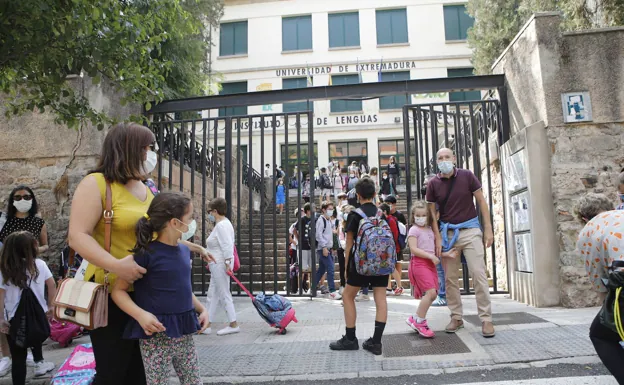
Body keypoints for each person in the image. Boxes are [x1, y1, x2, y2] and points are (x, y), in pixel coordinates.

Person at [69, 122, 157, 385]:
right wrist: (117, 265)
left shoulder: (147, 188)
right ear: (128, 149)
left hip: (144, 293)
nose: (150, 153)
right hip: (109, 295)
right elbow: (77, 236)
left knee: (139, 375)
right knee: (113, 373)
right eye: (146, 148)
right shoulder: (96, 183)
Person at [111, 192, 209, 385]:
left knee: (194, 382)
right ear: (174, 222)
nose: (192, 222)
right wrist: (140, 315)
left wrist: (202, 309)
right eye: (190, 217)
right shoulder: (145, 254)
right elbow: (118, 291)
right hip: (155, 336)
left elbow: (181, 288)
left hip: (184, 332)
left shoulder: (182, 250)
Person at [426, 148, 495, 338]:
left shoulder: (467, 176)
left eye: (447, 157)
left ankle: (486, 319)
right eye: (440, 158)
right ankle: (456, 317)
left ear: (454, 159)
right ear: (437, 162)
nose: (444, 160)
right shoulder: (433, 184)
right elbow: (431, 213)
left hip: (470, 230)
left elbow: (481, 201)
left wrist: (488, 229)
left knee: (479, 274)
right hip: (448, 234)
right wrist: (437, 237)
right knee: (450, 279)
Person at [330, 178, 390, 356]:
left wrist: (347, 268)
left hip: (361, 264)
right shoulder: (381, 214)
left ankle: (350, 339)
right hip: (382, 261)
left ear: (358, 195)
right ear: (374, 194)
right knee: (381, 299)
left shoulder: (355, 215)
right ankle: (376, 342)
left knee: (348, 296)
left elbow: (349, 244)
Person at [0, 185, 49, 371]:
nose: (23, 200)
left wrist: (33, 250)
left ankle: (37, 358)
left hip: (31, 272)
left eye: (26, 196)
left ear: (33, 199)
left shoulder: (38, 223)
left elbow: (46, 246)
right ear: (12, 200)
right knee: (6, 313)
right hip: (8, 271)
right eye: (18, 197)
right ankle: (7, 356)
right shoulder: (4, 221)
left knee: (32, 312)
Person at [575, 194, 622, 382]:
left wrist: (607, 311)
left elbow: (599, 283)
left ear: (584, 218)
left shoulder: (589, 230)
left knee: (601, 334)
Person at [0, 231, 56, 384]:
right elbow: (52, 285)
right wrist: (51, 306)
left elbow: (1, 296)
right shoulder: (39, 265)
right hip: (39, 314)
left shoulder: (5, 270)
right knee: (35, 339)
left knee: (18, 358)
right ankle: (39, 363)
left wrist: (1, 319)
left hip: (14, 320)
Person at [404, 202, 458, 338]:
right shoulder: (413, 230)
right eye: (417, 215)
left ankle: (415, 318)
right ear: (413, 216)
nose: (420, 218)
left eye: (423, 215)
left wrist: (446, 254)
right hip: (419, 264)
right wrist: (430, 256)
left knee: (433, 294)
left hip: (430, 264)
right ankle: (420, 322)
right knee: (431, 293)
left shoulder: (429, 230)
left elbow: (433, 250)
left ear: (428, 216)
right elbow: (413, 249)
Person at [201, 198, 239, 336]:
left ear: (215, 211)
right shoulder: (224, 224)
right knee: (213, 294)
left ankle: (233, 323)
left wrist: (228, 264)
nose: (209, 214)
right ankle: (207, 323)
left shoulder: (222, 225)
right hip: (217, 263)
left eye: (210, 212)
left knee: (223, 293)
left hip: (220, 264)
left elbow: (227, 246)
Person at [422, 173, 447, 307]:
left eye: (427, 183)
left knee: (440, 268)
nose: (425, 186)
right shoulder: (431, 200)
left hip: (439, 235)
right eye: (425, 184)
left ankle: (443, 295)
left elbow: (434, 218)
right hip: (435, 235)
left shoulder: (435, 202)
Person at [314, 201, 341, 300]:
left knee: (321, 270)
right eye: (329, 209)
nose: (331, 211)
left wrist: (331, 247)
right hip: (323, 249)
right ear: (323, 210)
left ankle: (312, 288)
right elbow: (318, 235)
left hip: (327, 248)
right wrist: (325, 247)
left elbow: (329, 235)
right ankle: (332, 291)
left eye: (332, 209)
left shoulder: (328, 220)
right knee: (330, 268)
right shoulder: (321, 220)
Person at [379, 204, 404, 296]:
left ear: (384, 211)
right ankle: (389, 288)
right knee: (388, 268)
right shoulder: (386, 220)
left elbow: (394, 235)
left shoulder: (390, 220)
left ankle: (399, 287)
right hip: (387, 247)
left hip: (390, 247)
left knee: (391, 268)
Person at [384, 196, 407, 295]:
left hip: (397, 244)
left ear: (394, 204)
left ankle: (398, 285)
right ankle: (389, 286)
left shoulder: (399, 215)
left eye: (390, 203)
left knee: (397, 264)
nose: (389, 206)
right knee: (390, 265)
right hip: (391, 245)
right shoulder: (386, 217)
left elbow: (403, 229)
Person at [293, 203, 313, 275]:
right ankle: (299, 286)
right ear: (307, 211)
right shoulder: (302, 219)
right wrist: (298, 238)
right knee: (303, 269)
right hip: (303, 246)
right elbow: (294, 230)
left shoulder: (314, 219)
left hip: (311, 246)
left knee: (311, 268)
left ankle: (311, 285)